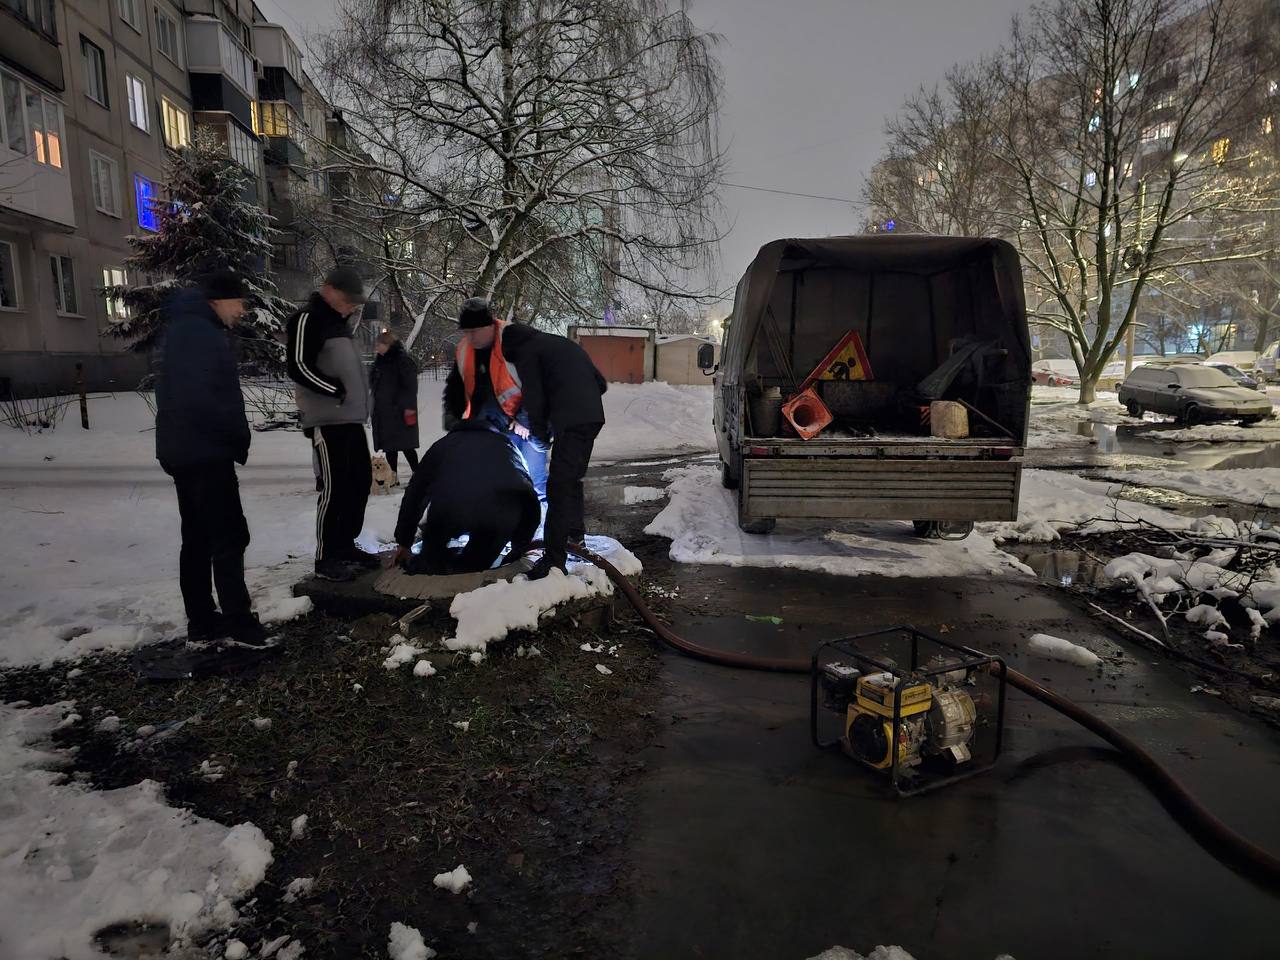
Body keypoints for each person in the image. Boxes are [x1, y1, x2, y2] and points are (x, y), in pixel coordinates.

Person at [154, 269, 267, 645]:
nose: (242, 311)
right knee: (229, 536)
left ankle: (202, 619)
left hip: (186, 450)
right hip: (205, 451)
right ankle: (239, 623)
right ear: (219, 300)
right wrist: (236, 437)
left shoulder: (185, 330)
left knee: (198, 538)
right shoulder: (201, 335)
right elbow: (206, 400)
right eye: (239, 302)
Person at [286, 265, 377, 582]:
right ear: (330, 290)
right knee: (335, 487)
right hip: (328, 420)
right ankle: (326, 556)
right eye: (349, 299)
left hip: (350, 419)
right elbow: (297, 365)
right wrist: (335, 389)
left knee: (360, 482)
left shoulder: (340, 324)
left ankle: (344, 545)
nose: (353, 306)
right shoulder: (308, 318)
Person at [499, 322, 607, 580]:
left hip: (573, 422)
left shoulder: (527, 352)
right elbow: (600, 383)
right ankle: (575, 536)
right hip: (592, 418)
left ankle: (553, 560)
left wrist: (539, 436)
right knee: (571, 480)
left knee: (558, 487)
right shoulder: (561, 344)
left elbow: (535, 398)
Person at [390, 420, 541, 575]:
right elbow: (528, 493)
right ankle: (469, 563)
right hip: (498, 515)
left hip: (450, 510)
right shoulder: (507, 446)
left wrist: (404, 541)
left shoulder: (443, 445)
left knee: (430, 564)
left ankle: (433, 562)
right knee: (474, 565)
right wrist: (520, 545)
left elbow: (415, 493)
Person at [442, 298, 549, 502]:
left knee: (535, 481)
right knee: (498, 481)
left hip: (526, 426)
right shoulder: (465, 349)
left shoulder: (513, 340)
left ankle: (539, 526)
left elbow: (537, 383)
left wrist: (525, 421)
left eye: (474, 330)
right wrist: (454, 419)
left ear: (490, 325)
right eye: (466, 331)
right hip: (492, 427)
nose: (469, 336)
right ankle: (506, 525)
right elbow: (455, 386)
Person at [370, 330, 420, 481]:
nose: (376, 348)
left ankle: (418, 474)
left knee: (406, 445)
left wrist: (407, 408)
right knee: (390, 447)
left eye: (379, 345)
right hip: (385, 412)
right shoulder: (379, 363)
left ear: (387, 345)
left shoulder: (402, 361)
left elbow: (410, 386)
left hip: (400, 411)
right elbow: (373, 383)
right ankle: (393, 477)